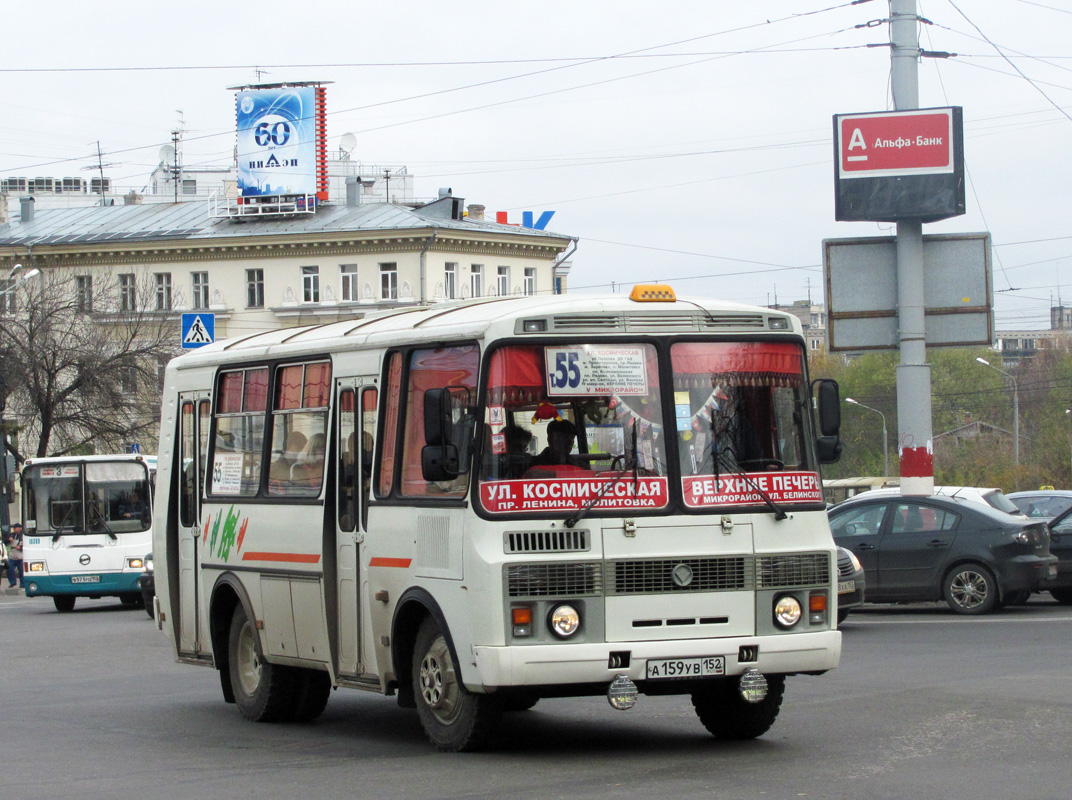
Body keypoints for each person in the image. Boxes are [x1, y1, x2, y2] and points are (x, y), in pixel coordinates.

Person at [5, 523, 24, 590]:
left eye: (19, 527)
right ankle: (12, 582)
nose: (18, 529)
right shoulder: (11, 535)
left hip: (20, 555)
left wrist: (21, 547)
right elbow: (5, 543)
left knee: (21, 570)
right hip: (12, 555)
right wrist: (8, 540)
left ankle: (22, 583)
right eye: (16, 528)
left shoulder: (22, 535)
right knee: (9, 569)